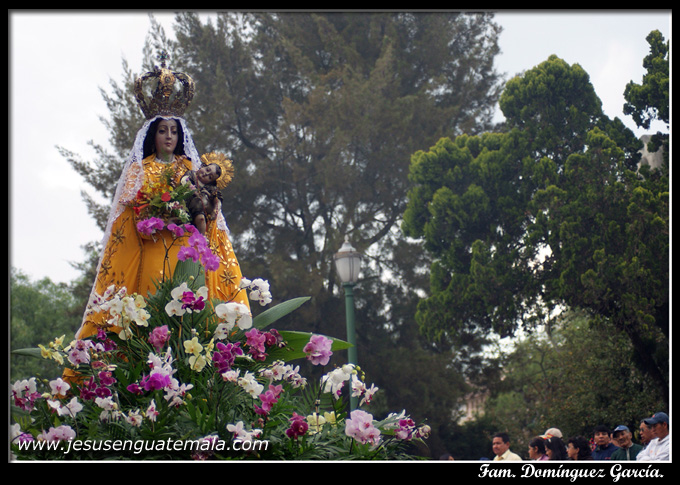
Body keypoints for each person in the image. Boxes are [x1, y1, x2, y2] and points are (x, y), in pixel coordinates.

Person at [74, 54, 250, 342]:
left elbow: (207, 210)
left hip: (187, 251)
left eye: (173, 131)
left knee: (187, 312)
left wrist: (207, 209)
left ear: (180, 136)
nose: (169, 136)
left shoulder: (190, 168)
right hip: (153, 248)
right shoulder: (140, 170)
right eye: (163, 131)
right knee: (152, 306)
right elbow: (127, 218)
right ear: (152, 135)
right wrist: (155, 216)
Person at [181, 159, 228, 235]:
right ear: (203, 166)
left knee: (201, 218)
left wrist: (215, 209)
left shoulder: (210, 187)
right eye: (207, 170)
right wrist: (193, 191)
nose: (206, 174)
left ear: (211, 182)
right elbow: (184, 180)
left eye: (210, 177)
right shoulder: (192, 174)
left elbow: (218, 198)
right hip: (185, 201)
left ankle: (201, 236)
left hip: (199, 208)